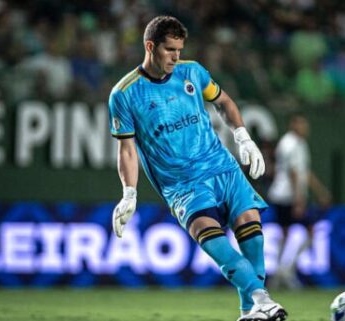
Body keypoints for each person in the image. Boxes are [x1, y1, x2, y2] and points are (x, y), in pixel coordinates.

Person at [108, 16, 287, 321]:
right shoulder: (124, 94)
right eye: (169, 50)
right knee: (219, 248)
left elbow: (225, 102)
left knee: (254, 240)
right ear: (150, 47)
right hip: (183, 186)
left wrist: (242, 136)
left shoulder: (192, 72)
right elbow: (127, 149)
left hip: (223, 169)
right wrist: (129, 193)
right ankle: (262, 300)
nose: (176, 56)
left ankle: (249, 312)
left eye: (179, 49)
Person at [267, 113, 331, 289]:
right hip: (286, 196)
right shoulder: (290, 144)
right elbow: (294, 174)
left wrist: (320, 191)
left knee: (286, 234)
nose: (305, 128)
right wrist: (299, 200)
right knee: (309, 231)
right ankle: (286, 271)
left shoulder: (299, 144)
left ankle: (280, 273)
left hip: (285, 195)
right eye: (302, 124)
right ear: (293, 125)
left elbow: (305, 172)